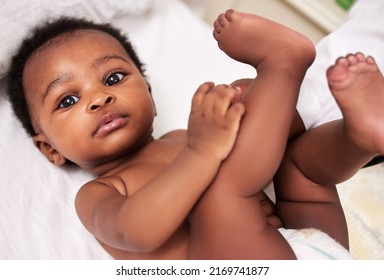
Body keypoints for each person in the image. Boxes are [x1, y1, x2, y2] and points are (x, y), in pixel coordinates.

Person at [6, 9, 383, 259]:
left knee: (295, 162)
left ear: (150, 97)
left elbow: (259, 149)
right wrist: (202, 153)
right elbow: (138, 233)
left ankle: (358, 139)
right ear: (50, 150)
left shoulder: (183, 135)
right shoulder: (100, 194)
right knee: (217, 190)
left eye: (114, 78)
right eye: (68, 99)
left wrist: (247, 103)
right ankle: (282, 65)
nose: (99, 97)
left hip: (314, 249)